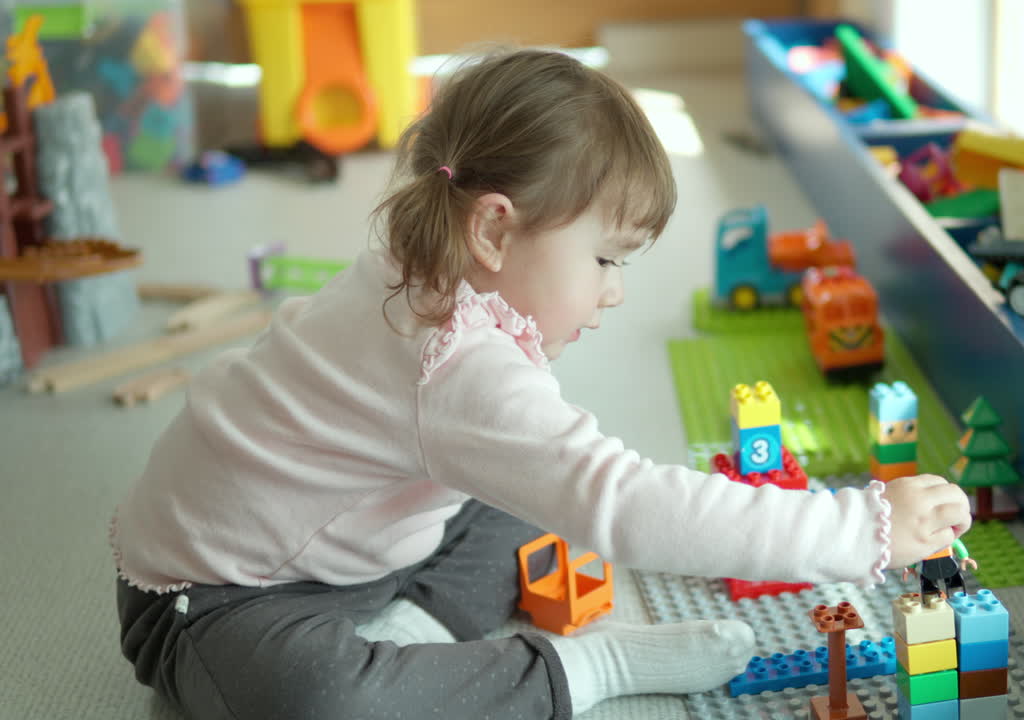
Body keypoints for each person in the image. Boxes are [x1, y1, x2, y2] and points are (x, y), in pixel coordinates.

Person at [110, 48, 974, 720]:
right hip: (217, 598)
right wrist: (858, 527)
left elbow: (572, 480)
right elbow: (627, 508)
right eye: (605, 259)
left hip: (360, 539)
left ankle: (413, 636)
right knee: (322, 704)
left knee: (530, 499)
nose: (615, 291)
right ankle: (586, 667)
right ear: (493, 230)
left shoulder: (419, 260)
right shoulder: (452, 364)